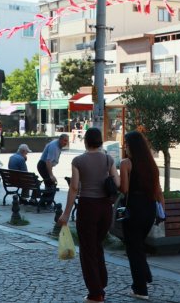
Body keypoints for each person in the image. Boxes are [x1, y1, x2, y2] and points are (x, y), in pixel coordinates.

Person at [57, 127, 119, 303]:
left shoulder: (78, 161)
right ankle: (101, 282)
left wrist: (66, 214)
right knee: (97, 245)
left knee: (87, 249)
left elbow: (74, 187)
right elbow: (118, 182)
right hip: (105, 209)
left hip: (87, 208)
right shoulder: (109, 159)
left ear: (85, 141)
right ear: (100, 141)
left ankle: (95, 293)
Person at [120, 131, 164, 300]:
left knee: (133, 250)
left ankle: (140, 289)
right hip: (150, 208)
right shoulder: (151, 165)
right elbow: (158, 190)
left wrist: (114, 181)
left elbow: (124, 189)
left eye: (127, 144)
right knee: (138, 246)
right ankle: (145, 275)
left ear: (132, 146)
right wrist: (162, 212)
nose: (125, 147)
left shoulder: (126, 164)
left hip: (134, 208)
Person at [37, 134, 68, 204]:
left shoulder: (57, 144)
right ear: (60, 139)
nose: (66, 143)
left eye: (67, 141)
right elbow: (48, 161)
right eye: (65, 141)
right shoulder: (54, 146)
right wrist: (51, 175)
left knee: (49, 184)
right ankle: (46, 202)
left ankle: (44, 202)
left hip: (44, 165)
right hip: (43, 166)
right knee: (52, 184)